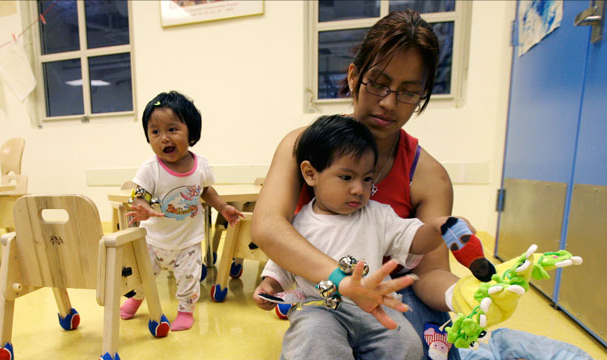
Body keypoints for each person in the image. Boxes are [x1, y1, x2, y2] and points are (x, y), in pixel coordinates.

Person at [251, 9, 464, 359]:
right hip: (325, 295)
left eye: (409, 92)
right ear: (353, 76)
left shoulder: (429, 176)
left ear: (424, 95)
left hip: (394, 295)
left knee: (424, 348)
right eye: (378, 83)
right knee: (316, 341)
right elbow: (268, 226)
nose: (389, 102)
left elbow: (430, 271)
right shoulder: (303, 145)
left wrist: (466, 295)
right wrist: (343, 283)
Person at [254, 115, 483, 359]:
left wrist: (437, 228)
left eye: (367, 179)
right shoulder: (298, 224)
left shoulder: (379, 215)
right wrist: (270, 286)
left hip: (375, 307)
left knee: (405, 341)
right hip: (320, 308)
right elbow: (283, 263)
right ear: (311, 174)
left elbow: (414, 238)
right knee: (314, 339)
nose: (358, 189)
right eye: (346, 177)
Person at [119, 91, 243, 331]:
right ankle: (136, 300)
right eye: (155, 132)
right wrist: (142, 207)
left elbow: (206, 190)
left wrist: (223, 207)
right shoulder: (150, 168)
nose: (163, 138)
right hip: (154, 239)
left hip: (188, 240)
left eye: (172, 129)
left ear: (191, 133)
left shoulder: (201, 166)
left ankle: (186, 311)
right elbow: (138, 193)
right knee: (144, 274)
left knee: (189, 278)